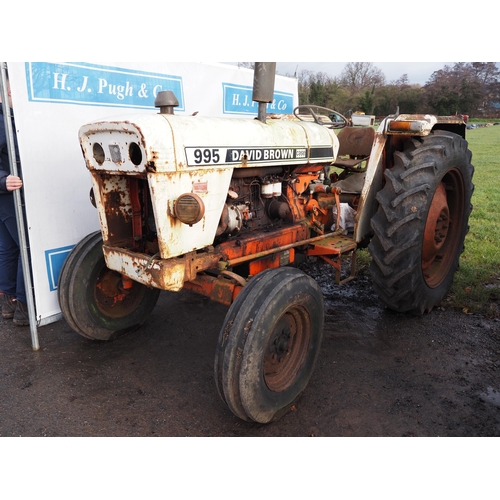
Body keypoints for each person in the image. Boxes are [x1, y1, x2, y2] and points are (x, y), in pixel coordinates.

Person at [0, 70, 29, 326]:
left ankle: (9, 302)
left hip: (6, 195)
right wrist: (2, 180)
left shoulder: (10, 117)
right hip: (10, 194)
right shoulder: (4, 119)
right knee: (25, 248)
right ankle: (23, 306)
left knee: (8, 249)